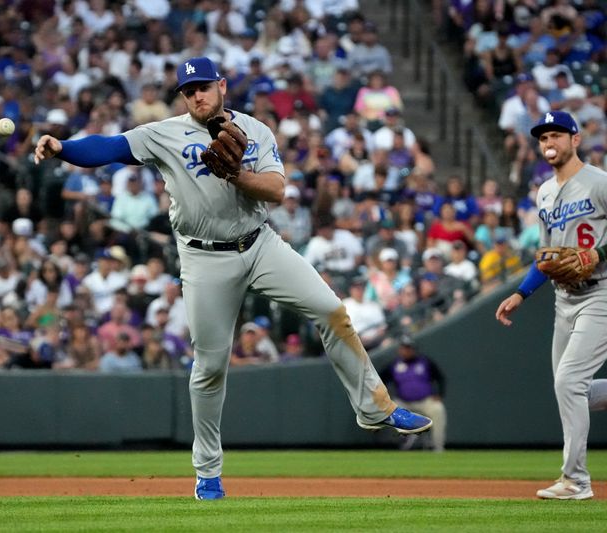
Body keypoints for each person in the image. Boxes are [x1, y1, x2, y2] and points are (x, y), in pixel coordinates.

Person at [34, 56, 432, 500]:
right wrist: (63, 148)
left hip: (260, 243)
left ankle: (374, 409)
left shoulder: (255, 130)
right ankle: (207, 473)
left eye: (203, 86)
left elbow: (278, 191)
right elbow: (107, 147)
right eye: (189, 90)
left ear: (221, 85)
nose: (197, 95)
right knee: (209, 368)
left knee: (332, 310)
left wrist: (237, 175)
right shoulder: (163, 133)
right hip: (205, 259)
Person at [496, 111, 607, 500]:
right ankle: (573, 478)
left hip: (601, 293)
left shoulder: (598, 183)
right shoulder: (543, 193)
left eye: (557, 135)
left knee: (568, 382)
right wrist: (521, 293)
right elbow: (547, 257)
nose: (549, 143)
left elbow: (595, 252)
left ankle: (575, 480)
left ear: (575, 140)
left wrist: (600, 252)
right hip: (564, 299)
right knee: (569, 389)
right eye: (544, 138)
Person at [379, 335, 447, 452]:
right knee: (389, 410)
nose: (406, 351)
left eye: (409, 348)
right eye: (404, 348)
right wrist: (384, 397)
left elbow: (440, 378)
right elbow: (379, 380)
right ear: (400, 350)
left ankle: (438, 447)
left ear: (414, 349)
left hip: (425, 401)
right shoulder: (394, 365)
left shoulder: (425, 362)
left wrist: (439, 394)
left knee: (438, 409)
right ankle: (403, 439)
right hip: (403, 402)